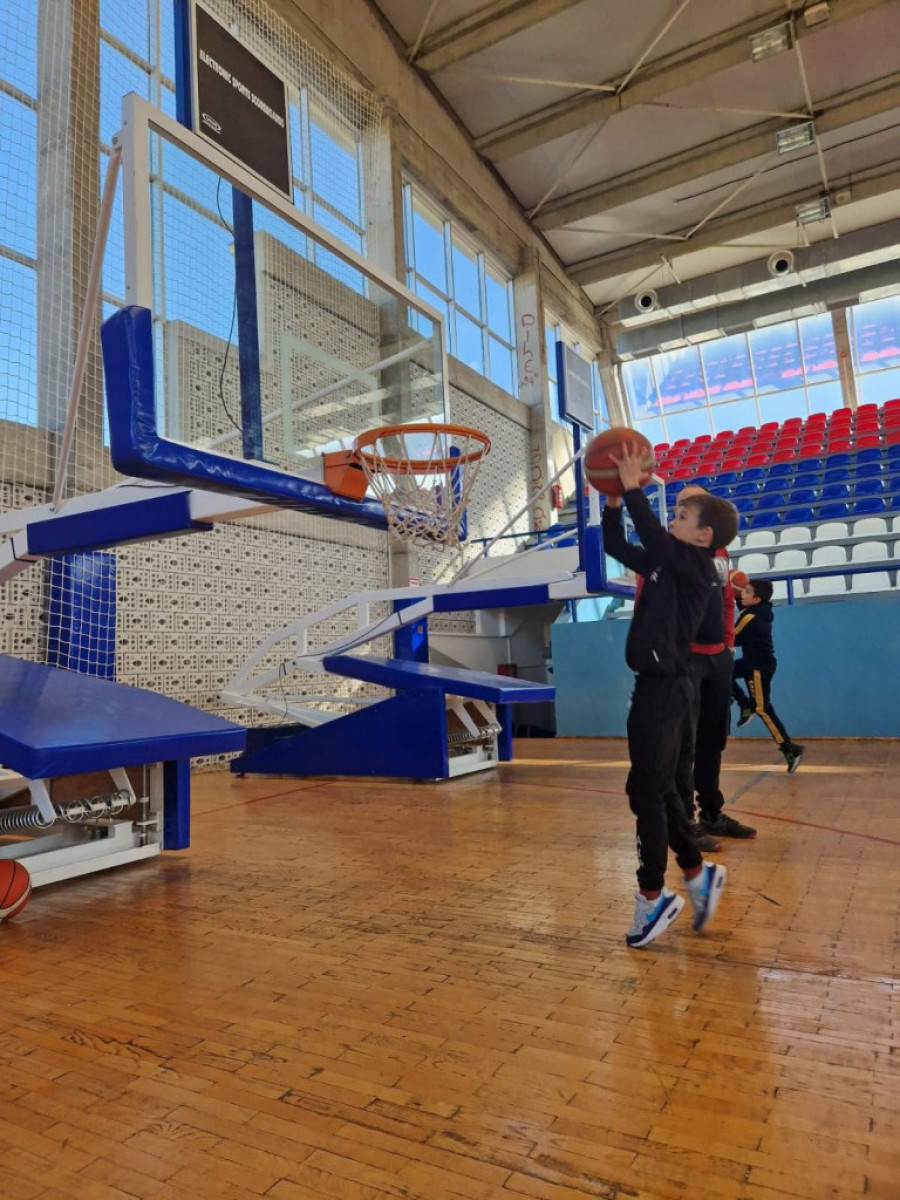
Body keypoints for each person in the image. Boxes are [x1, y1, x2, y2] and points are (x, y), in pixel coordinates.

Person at [602, 444, 738, 948]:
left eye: (681, 515)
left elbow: (655, 538)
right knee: (657, 790)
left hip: (666, 690)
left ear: (704, 536)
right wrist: (613, 502)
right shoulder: (667, 565)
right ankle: (697, 874)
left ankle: (652, 896)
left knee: (647, 794)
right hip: (654, 686)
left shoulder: (698, 567)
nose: (672, 519)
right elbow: (617, 545)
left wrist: (632, 486)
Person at [672, 486, 757, 844]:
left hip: (717, 657)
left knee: (712, 740)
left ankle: (711, 814)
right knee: (683, 745)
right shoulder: (666, 549)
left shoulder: (719, 549)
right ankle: (682, 821)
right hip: (682, 659)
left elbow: (725, 601)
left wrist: (728, 646)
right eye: (682, 506)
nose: (687, 510)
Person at [732, 578, 804, 773]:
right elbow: (743, 604)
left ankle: (790, 749)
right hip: (752, 663)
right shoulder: (759, 610)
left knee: (762, 709)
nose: (742, 593)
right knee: (723, 671)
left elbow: (732, 637)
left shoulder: (751, 617)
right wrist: (734, 589)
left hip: (758, 668)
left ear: (756, 599)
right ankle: (744, 704)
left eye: (747, 591)